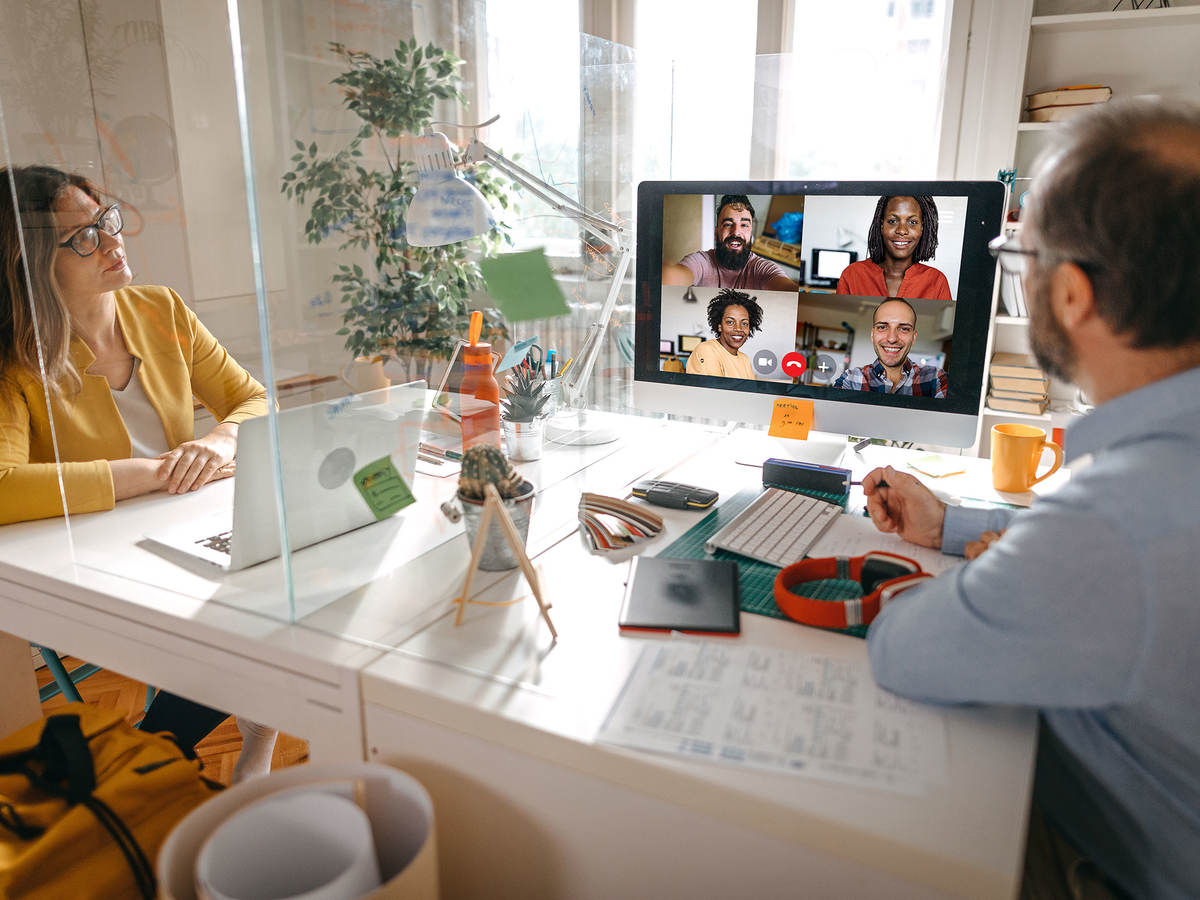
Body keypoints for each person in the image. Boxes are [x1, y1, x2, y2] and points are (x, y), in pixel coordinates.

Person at [860, 100, 1200, 899]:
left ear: (1073, 295)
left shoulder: (1118, 523)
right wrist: (958, 526)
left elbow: (906, 650)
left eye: (1024, 254)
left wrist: (990, 572)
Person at [0, 165, 276, 781]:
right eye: (82, 238)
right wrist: (155, 472)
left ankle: (232, 742)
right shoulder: (18, 357)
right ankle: (152, 773)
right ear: (29, 262)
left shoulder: (158, 308)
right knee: (248, 614)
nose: (112, 242)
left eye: (107, 221)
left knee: (282, 578)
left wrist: (220, 439)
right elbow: (1, 486)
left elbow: (255, 401)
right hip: (90, 555)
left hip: (185, 524)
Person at [663, 194, 798, 292]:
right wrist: (666, 274)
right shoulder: (701, 262)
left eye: (744, 225)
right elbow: (675, 277)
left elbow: (786, 288)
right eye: (728, 224)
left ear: (751, 233)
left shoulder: (763, 268)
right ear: (716, 233)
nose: (736, 232)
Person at [837, 195, 952, 301]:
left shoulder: (936, 281)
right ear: (882, 225)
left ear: (922, 228)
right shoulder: (852, 274)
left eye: (912, 222)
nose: (902, 230)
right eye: (892, 221)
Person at [832, 298, 946, 396]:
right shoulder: (850, 379)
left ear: (913, 338)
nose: (892, 339)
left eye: (904, 329)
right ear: (872, 335)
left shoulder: (936, 378)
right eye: (882, 327)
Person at [684, 288, 761, 379]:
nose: (738, 328)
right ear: (719, 326)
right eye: (730, 322)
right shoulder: (706, 350)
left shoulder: (745, 359)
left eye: (744, 323)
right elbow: (715, 391)